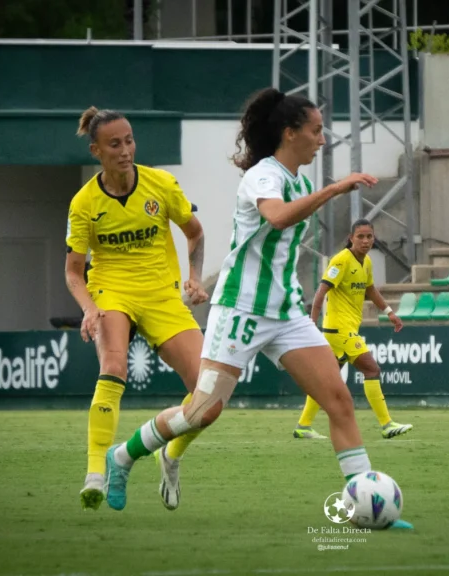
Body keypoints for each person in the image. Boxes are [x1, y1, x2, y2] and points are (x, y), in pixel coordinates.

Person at [101, 88, 413, 529]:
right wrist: (336, 189)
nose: (323, 140)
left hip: (284, 312)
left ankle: (367, 507)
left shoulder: (300, 180)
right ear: (290, 133)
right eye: (316, 130)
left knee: (339, 400)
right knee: (201, 412)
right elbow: (278, 217)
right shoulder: (263, 176)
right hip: (241, 310)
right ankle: (122, 455)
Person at [65, 107, 208, 511]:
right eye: (114, 144)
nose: (125, 150)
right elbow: (74, 272)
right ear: (96, 150)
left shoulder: (161, 184)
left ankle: (170, 454)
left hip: (162, 294)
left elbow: (195, 234)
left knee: (208, 397)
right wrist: (89, 308)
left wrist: (194, 276)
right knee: (113, 366)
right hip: (112, 291)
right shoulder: (84, 203)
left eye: (129, 140)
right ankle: (96, 471)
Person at [292, 219, 413, 440]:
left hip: (342, 330)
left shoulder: (366, 263)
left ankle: (303, 425)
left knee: (326, 380)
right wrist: (311, 325)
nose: (365, 241)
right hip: (339, 331)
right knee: (372, 369)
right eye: (361, 236)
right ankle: (386, 424)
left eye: (369, 236)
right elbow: (320, 293)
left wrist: (389, 312)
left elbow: (370, 289)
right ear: (351, 238)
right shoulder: (341, 261)